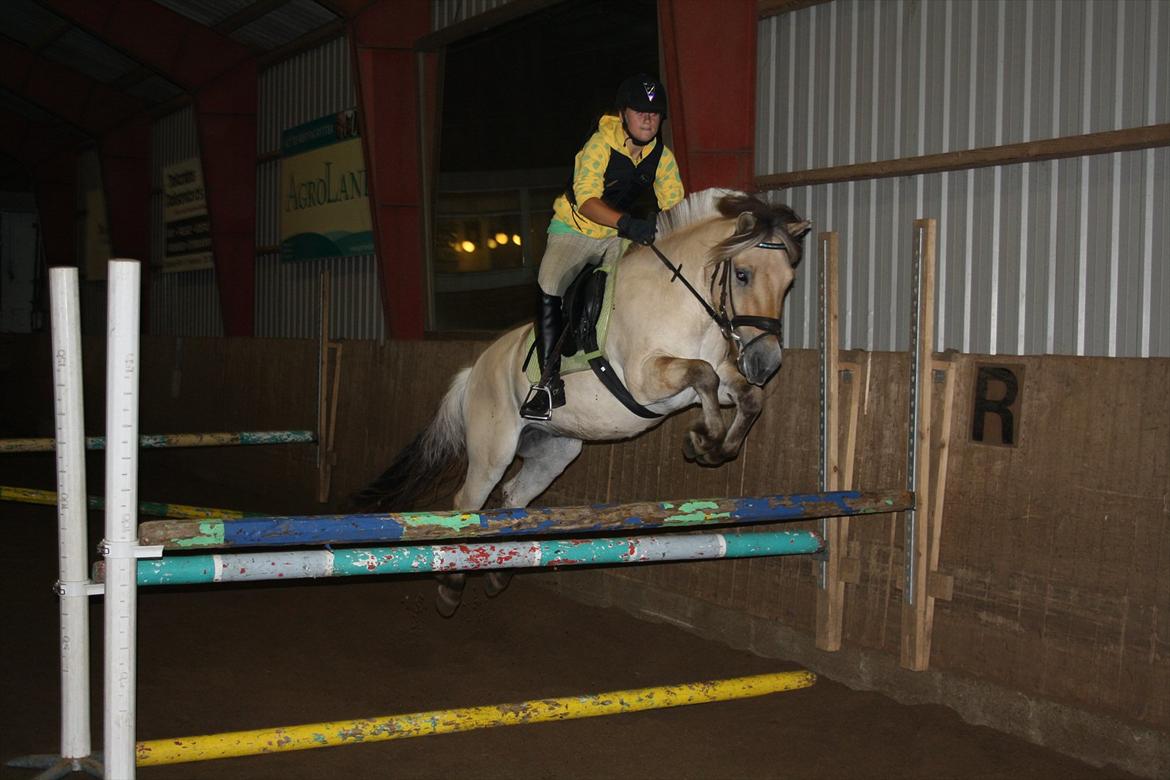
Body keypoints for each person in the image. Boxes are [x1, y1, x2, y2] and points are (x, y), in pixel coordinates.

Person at [520, 73, 685, 420]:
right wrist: (628, 222)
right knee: (550, 283)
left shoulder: (662, 158)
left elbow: (676, 208)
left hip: (615, 237)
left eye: (654, 114)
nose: (647, 119)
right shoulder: (599, 144)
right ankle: (546, 385)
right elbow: (587, 201)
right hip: (574, 230)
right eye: (639, 111)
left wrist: (666, 232)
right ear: (623, 114)